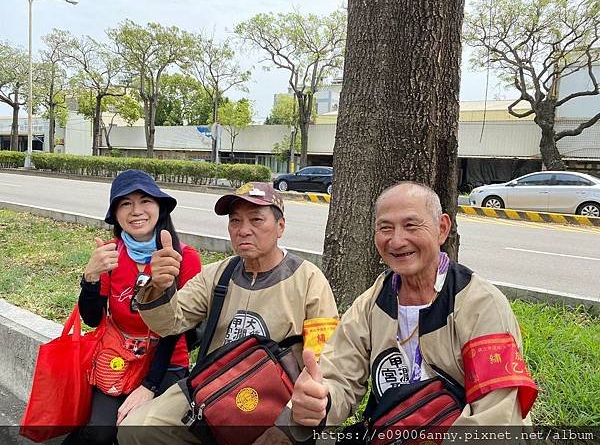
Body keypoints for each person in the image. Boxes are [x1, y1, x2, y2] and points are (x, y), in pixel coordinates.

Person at [290, 181, 538, 432]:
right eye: (385, 228)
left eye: (411, 225)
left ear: (442, 228)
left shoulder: (481, 304)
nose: (396, 241)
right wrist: (321, 401)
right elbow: (338, 377)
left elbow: (497, 415)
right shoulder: (372, 303)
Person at [118, 182, 339, 445]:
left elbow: (324, 363)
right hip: (213, 386)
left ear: (280, 227)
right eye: (235, 221)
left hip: (277, 397)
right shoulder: (218, 274)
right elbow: (170, 322)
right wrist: (158, 287)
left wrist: (288, 424)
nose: (243, 230)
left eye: (257, 220)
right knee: (137, 428)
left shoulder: (309, 280)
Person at [64, 169, 202, 445]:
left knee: (140, 432)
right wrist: (90, 278)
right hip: (118, 356)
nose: (136, 211)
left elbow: (177, 328)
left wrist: (149, 385)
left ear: (159, 207)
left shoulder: (184, 258)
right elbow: (92, 319)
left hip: (167, 360)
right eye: (125, 203)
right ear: (115, 214)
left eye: (145, 201)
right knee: (100, 433)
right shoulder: (110, 255)